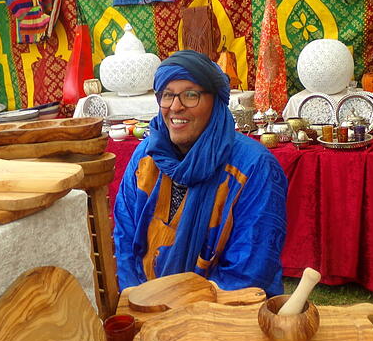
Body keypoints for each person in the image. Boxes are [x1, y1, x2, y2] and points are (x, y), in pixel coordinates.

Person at [113, 50, 287, 296]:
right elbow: (124, 236)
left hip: (222, 315)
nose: (175, 107)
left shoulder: (254, 166)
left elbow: (249, 270)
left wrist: (178, 311)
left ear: (215, 101)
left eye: (190, 95)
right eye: (167, 95)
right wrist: (135, 297)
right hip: (145, 304)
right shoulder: (147, 156)